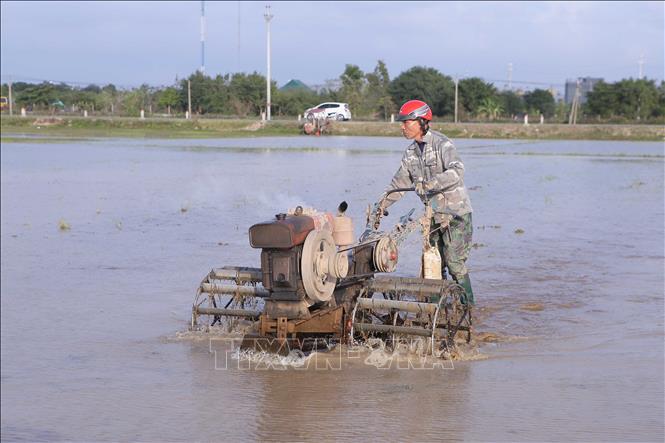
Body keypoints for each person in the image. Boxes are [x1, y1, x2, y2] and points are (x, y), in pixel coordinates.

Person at [370, 99, 475, 305]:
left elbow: (457, 171)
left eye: (406, 122)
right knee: (432, 263)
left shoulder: (442, 144)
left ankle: (467, 308)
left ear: (421, 121)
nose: (402, 127)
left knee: (454, 263)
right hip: (432, 217)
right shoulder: (410, 154)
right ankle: (435, 310)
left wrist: (430, 184)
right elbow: (398, 184)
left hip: (456, 215)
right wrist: (380, 206)